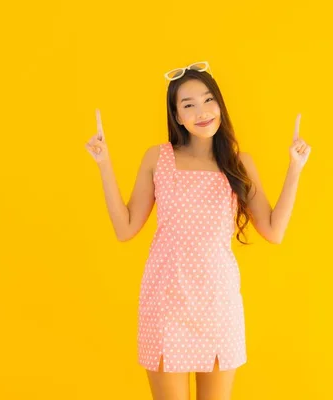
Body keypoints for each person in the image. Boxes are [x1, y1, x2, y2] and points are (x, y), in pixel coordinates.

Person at [85, 61, 311, 400]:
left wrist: (296, 167)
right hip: (166, 304)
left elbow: (274, 230)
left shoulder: (238, 164)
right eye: (188, 105)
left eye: (208, 100)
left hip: (218, 305)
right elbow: (126, 227)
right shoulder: (157, 158)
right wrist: (104, 164)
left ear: (219, 104)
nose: (202, 112)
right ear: (177, 116)